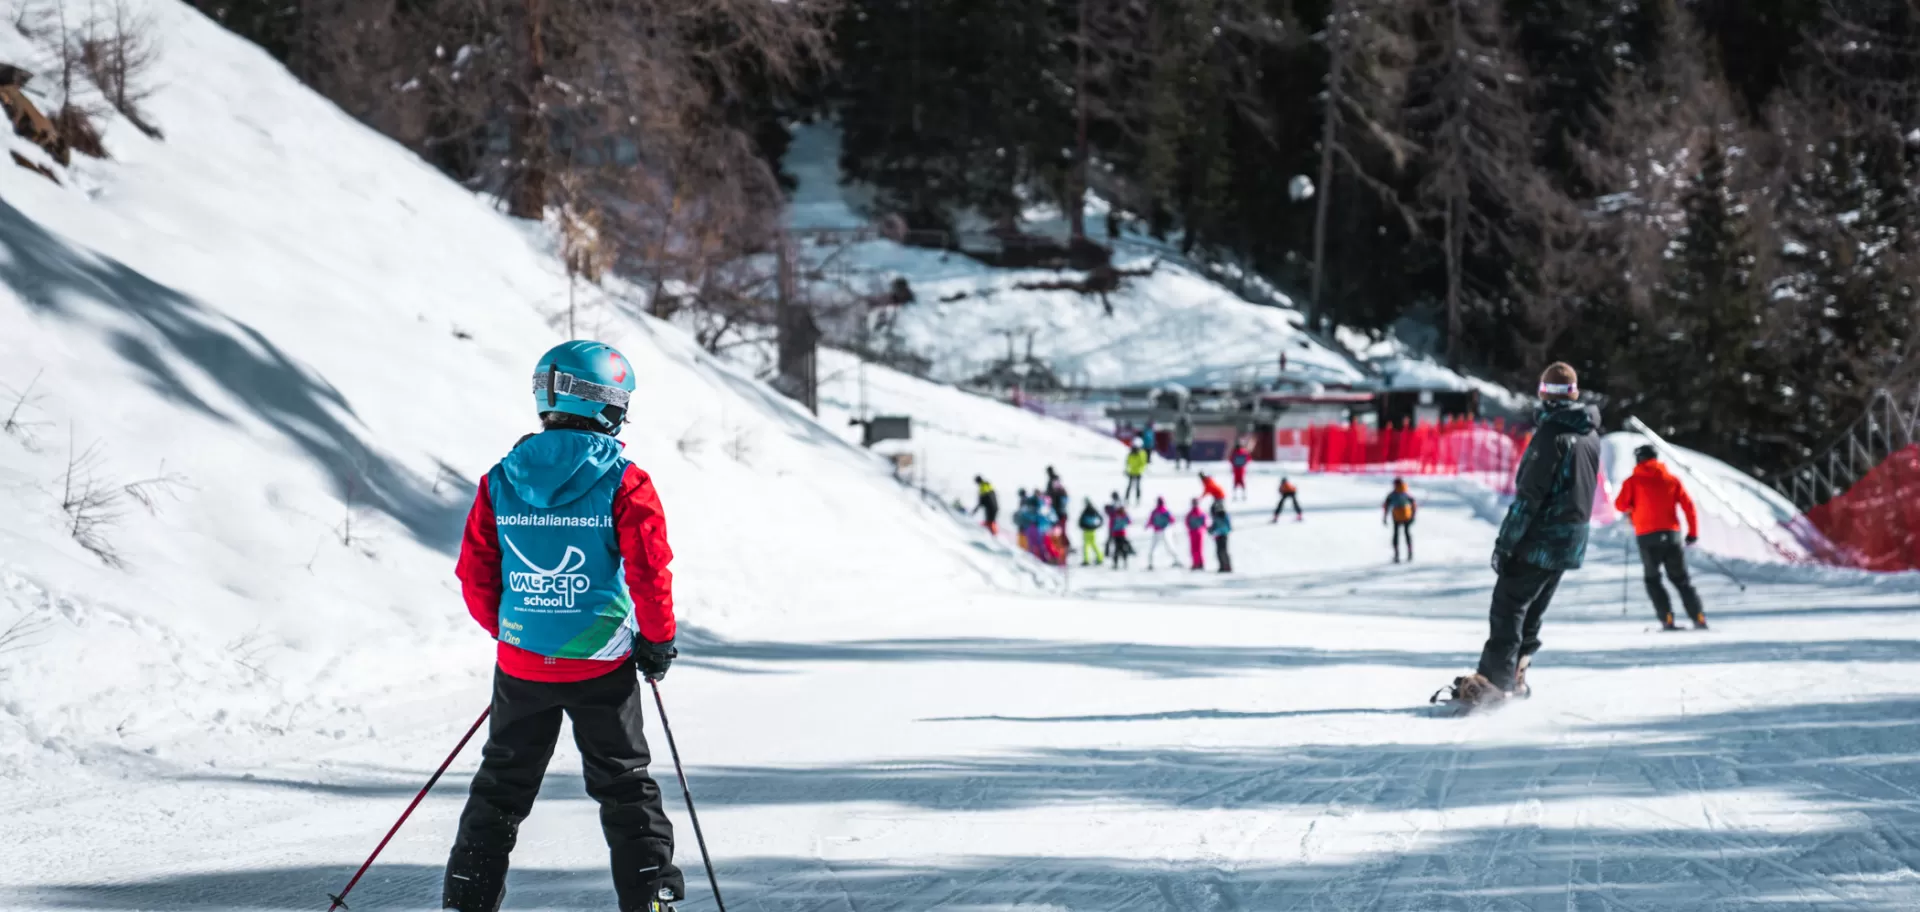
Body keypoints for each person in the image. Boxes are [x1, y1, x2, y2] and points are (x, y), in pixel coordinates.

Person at [445, 341, 683, 912]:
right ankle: (651, 901)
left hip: (522, 664)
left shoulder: (501, 478)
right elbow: (649, 571)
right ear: (606, 403)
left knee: (500, 787)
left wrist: (517, 631)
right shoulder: (624, 480)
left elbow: (476, 573)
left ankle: (467, 902)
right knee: (624, 785)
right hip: (600, 662)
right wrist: (657, 640)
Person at [1452, 362, 1601, 708]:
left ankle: (1494, 683)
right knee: (1531, 609)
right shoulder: (1590, 435)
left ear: (1543, 394)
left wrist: (1505, 544)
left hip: (1542, 537)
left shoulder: (1551, 435)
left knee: (1508, 606)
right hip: (1571, 539)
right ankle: (1516, 673)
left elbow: (1528, 498)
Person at [1615, 444, 1707, 630]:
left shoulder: (1632, 482)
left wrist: (1633, 507)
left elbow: (1620, 505)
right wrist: (1692, 533)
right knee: (1681, 579)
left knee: (1653, 579)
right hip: (1671, 535)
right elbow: (1688, 506)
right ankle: (1698, 617)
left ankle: (1667, 619)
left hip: (1647, 536)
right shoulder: (1671, 479)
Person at [1384, 478, 1417, 563]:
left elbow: (1386, 506)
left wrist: (1385, 517)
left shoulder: (1392, 495)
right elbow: (1413, 503)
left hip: (1396, 516)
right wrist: (1413, 515)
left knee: (1396, 535)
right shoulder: (1406, 493)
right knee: (1407, 534)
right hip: (1407, 515)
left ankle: (1396, 555)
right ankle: (1410, 553)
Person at [1145, 497, 1181, 569]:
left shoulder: (1157, 511)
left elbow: (1150, 521)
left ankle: (1150, 563)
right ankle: (1176, 560)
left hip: (1160, 531)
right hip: (1163, 531)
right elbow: (1172, 520)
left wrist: (1147, 525)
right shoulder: (1164, 511)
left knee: (1156, 547)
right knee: (1169, 546)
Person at [1077, 498, 1106, 566]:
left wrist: (1082, 526)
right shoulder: (1094, 510)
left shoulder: (1085, 510)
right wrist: (1097, 526)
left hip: (1087, 530)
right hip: (1093, 530)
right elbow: (1101, 518)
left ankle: (1086, 560)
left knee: (1086, 546)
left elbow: (1080, 520)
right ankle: (1100, 558)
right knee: (1094, 544)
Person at [1209, 499, 1234, 573]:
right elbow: (1214, 525)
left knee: (1223, 551)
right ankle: (1222, 566)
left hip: (1223, 535)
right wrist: (1211, 530)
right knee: (1219, 551)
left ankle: (1227, 566)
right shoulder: (1216, 516)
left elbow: (1228, 527)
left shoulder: (1224, 516)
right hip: (1218, 535)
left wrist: (1218, 531)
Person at [1109, 499, 1134, 569]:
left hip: (1117, 534)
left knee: (1118, 549)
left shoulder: (1115, 515)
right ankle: (1123, 562)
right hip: (1120, 533)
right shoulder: (1121, 515)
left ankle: (1117, 564)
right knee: (1121, 548)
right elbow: (1129, 522)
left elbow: (1111, 525)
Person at [1185, 498, 1209, 571]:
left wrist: (1191, 528)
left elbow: (1187, 523)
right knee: (1198, 549)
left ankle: (1196, 564)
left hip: (1194, 532)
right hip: (1198, 532)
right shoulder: (1200, 513)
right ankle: (1199, 563)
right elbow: (1205, 523)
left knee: (1195, 549)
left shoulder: (1191, 514)